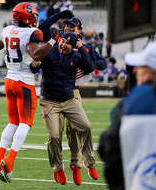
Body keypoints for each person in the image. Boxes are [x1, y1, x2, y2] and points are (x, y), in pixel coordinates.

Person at [0, 2, 60, 183]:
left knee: (12, 121)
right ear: (28, 17)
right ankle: (10, 160)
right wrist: (53, 41)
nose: (35, 19)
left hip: (9, 81)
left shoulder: (6, 31)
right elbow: (35, 54)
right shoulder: (31, 33)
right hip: (24, 82)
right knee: (25, 123)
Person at [39, 16, 106, 184]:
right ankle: (59, 167)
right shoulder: (52, 47)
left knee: (77, 131)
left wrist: (83, 53)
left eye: (72, 27)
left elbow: (99, 64)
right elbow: (42, 33)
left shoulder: (83, 50)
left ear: (79, 32)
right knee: (55, 134)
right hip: (51, 96)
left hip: (72, 94)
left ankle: (78, 165)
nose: (68, 28)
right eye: (66, 26)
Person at [98, 40, 156, 190]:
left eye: (141, 67)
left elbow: (109, 148)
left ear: (154, 72)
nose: (135, 71)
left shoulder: (135, 102)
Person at [30, 32, 95, 185]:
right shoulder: (49, 51)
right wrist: (34, 65)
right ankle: (58, 168)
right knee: (53, 136)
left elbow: (89, 67)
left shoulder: (77, 55)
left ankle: (89, 163)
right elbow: (33, 68)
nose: (63, 44)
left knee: (86, 126)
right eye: (62, 41)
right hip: (49, 101)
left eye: (68, 43)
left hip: (69, 99)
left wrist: (81, 48)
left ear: (73, 47)